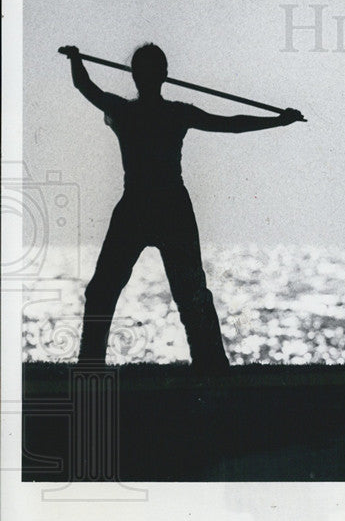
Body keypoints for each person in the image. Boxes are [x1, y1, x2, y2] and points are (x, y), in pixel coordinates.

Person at [59, 43, 304, 371]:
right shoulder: (173, 113)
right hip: (168, 207)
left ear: (137, 76)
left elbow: (84, 86)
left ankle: (92, 363)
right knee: (187, 294)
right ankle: (211, 363)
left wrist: (76, 60)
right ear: (163, 76)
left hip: (142, 207)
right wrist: (278, 120)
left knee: (109, 291)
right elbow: (231, 124)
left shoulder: (126, 111)